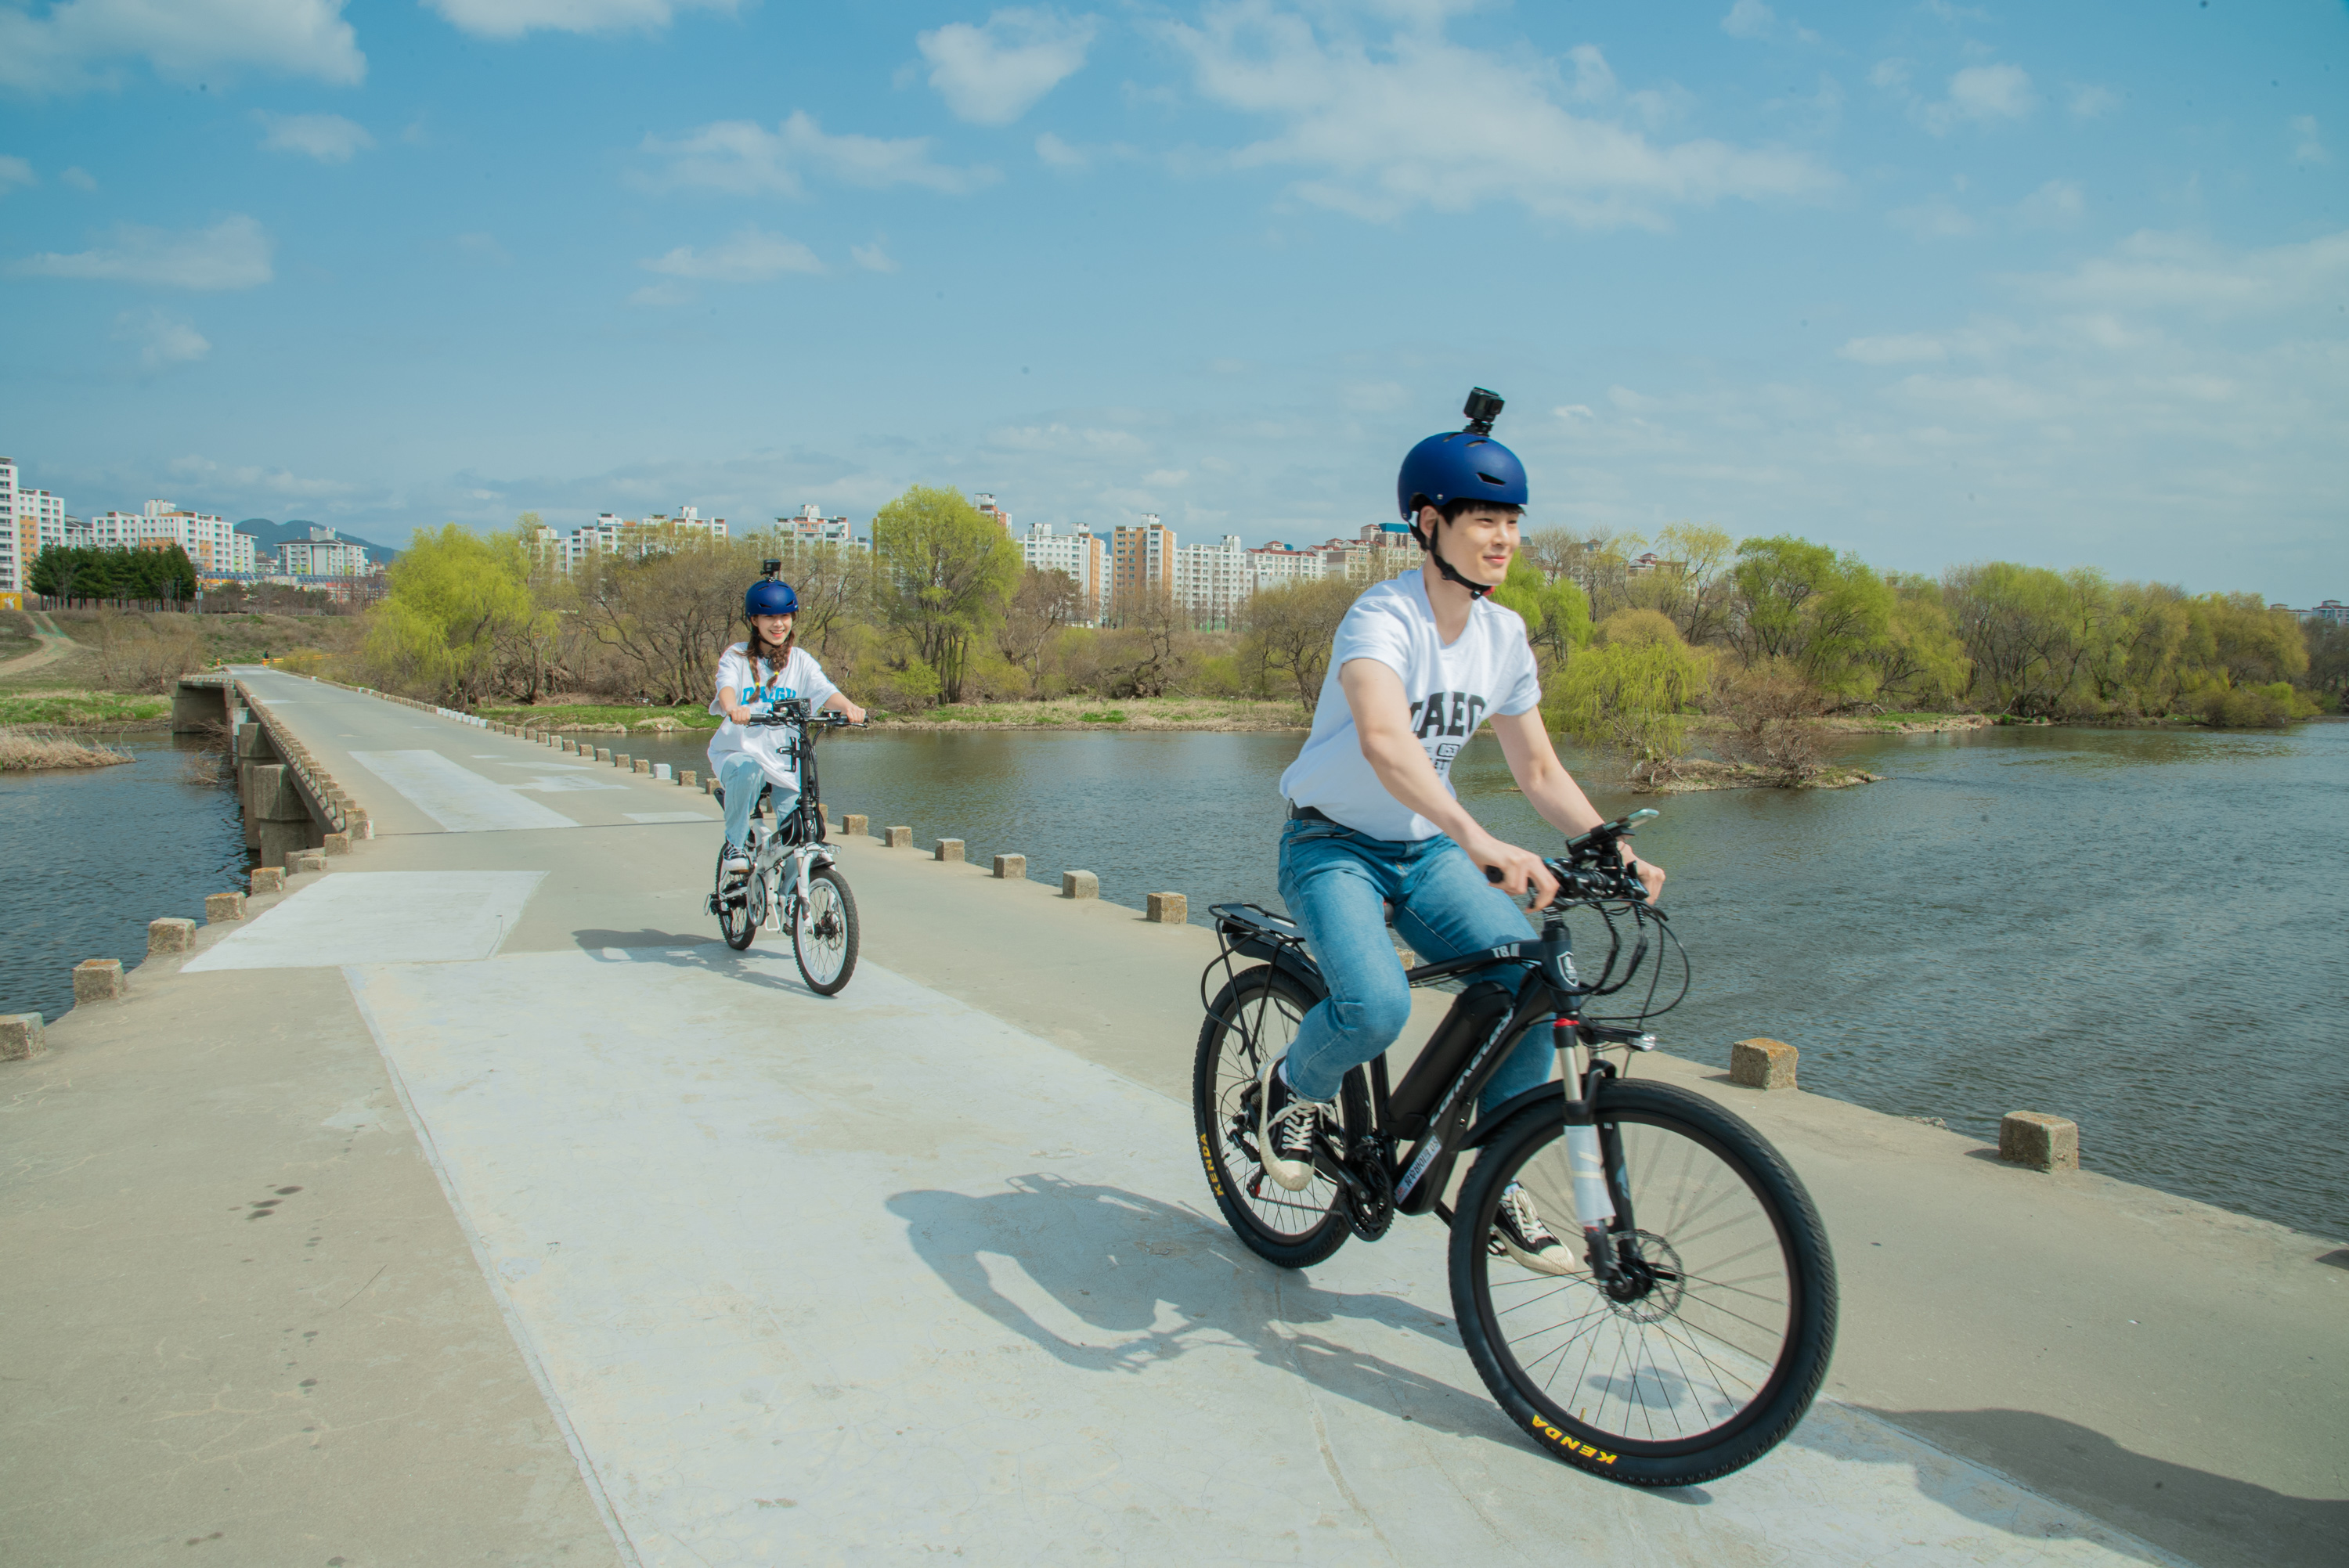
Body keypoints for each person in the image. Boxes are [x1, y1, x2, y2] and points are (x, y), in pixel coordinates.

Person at [1262, 391, 1665, 1274]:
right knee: (1375, 1006)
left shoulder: (1505, 635)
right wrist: (1480, 838)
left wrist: (1608, 841)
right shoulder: (1382, 617)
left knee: (1529, 979)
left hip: (1425, 849)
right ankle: (1295, 1084)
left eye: (1512, 519)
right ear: (1429, 522)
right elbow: (1385, 742)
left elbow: (1541, 770)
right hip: (1334, 844)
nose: (1504, 537)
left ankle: (1493, 1176)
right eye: (1483, 517)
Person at [709, 578, 866, 873]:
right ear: (755, 620)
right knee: (748, 769)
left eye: (784, 616)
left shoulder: (800, 661)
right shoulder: (737, 656)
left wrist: (849, 707)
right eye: (769, 617)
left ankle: (795, 898)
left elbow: (824, 689)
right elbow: (726, 686)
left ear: (792, 618)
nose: (778, 624)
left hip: (784, 761)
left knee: (801, 834)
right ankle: (736, 844)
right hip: (738, 753)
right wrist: (732, 708)